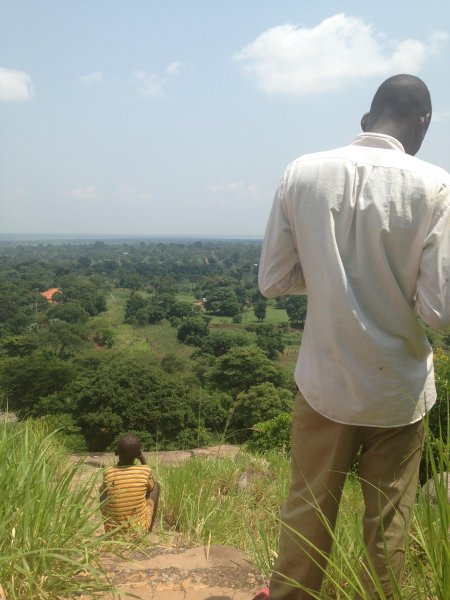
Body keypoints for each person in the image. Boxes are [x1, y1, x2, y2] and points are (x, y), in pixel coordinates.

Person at [255, 74, 450, 599]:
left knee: (307, 511)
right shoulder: (436, 185)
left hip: (324, 382)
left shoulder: (304, 172)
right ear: (424, 121)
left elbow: (273, 280)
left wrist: (328, 276)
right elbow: (439, 311)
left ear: (365, 120)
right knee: (388, 525)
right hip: (400, 393)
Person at [100, 433, 160, 533]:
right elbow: (151, 487)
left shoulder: (108, 472)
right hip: (138, 532)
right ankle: (147, 530)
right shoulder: (145, 471)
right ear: (138, 454)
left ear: (116, 452)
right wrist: (142, 459)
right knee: (156, 486)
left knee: (102, 488)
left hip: (113, 532)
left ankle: (109, 526)